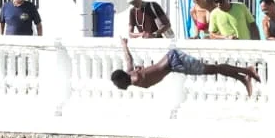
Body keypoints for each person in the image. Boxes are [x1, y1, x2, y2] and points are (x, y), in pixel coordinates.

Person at [110, 37, 259, 96]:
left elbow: (137, 75)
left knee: (214, 69)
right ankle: (243, 78)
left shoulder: (134, 79)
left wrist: (139, 70)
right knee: (214, 69)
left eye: (118, 84)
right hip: (173, 63)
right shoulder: (131, 74)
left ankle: (247, 71)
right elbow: (128, 59)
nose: (118, 87)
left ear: (123, 79)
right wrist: (124, 45)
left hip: (174, 61)